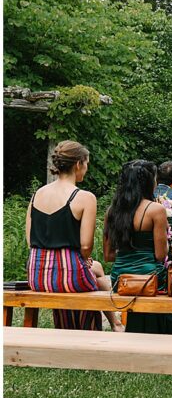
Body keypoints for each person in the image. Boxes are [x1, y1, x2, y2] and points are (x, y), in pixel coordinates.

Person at [24, 141, 121, 331]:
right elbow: (85, 247)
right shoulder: (85, 197)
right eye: (86, 164)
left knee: (96, 272)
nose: (86, 169)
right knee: (97, 273)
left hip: (36, 273)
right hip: (68, 272)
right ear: (78, 164)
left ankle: (109, 324)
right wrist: (83, 260)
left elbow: (30, 241)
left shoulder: (37, 195)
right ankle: (109, 326)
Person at [104, 159, 172, 335]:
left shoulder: (112, 211)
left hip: (121, 278)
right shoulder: (155, 210)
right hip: (150, 278)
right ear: (149, 181)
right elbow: (159, 254)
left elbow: (108, 255)